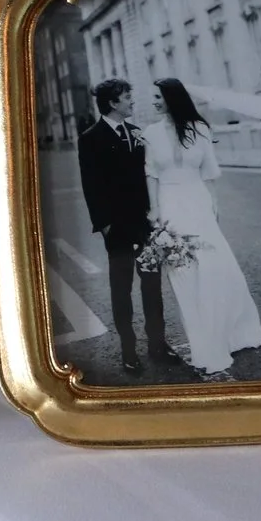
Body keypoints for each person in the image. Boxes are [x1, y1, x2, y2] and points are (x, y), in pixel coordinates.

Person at [144, 77, 261, 378]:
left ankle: (233, 331)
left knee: (215, 268)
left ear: (171, 98)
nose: (154, 102)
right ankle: (204, 342)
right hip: (170, 206)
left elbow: (209, 170)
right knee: (184, 272)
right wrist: (155, 209)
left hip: (198, 203)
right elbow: (150, 173)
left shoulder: (199, 129)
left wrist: (214, 204)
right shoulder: (150, 133)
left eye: (158, 97)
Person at [77, 77, 181, 373]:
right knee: (121, 290)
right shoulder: (91, 137)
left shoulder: (137, 133)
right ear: (113, 102)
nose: (132, 102)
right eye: (127, 98)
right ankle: (128, 350)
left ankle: (158, 345)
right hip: (117, 228)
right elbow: (91, 187)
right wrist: (106, 225)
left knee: (152, 286)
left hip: (145, 224)